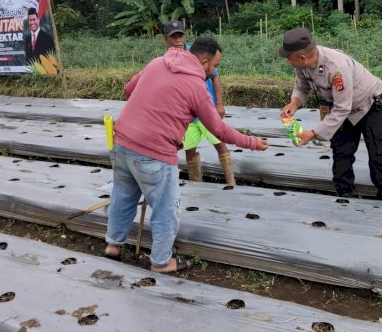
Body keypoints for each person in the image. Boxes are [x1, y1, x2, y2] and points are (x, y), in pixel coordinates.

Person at [104, 36, 269, 273]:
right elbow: (219, 129)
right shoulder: (196, 86)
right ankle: (160, 262)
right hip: (154, 154)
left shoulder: (157, 62)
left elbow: (128, 89)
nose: (215, 71)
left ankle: (113, 247)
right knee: (166, 209)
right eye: (215, 65)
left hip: (122, 143)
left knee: (123, 196)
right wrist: (252, 142)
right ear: (203, 62)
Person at [279, 27, 382, 202]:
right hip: (341, 107)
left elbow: (342, 108)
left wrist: (313, 133)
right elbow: (301, 87)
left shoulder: (336, 67)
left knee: (378, 154)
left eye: (289, 58)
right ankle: (344, 196)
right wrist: (294, 103)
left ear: (302, 57)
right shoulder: (302, 66)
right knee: (341, 151)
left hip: (369, 105)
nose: (287, 61)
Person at [162, 20, 235, 186]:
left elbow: (215, 76)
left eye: (180, 35)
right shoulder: (164, 60)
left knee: (220, 143)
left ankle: (231, 182)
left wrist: (219, 104)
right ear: (165, 38)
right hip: (189, 116)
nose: (178, 39)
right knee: (189, 149)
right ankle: (197, 185)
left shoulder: (197, 53)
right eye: (174, 36)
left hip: (206, 109)